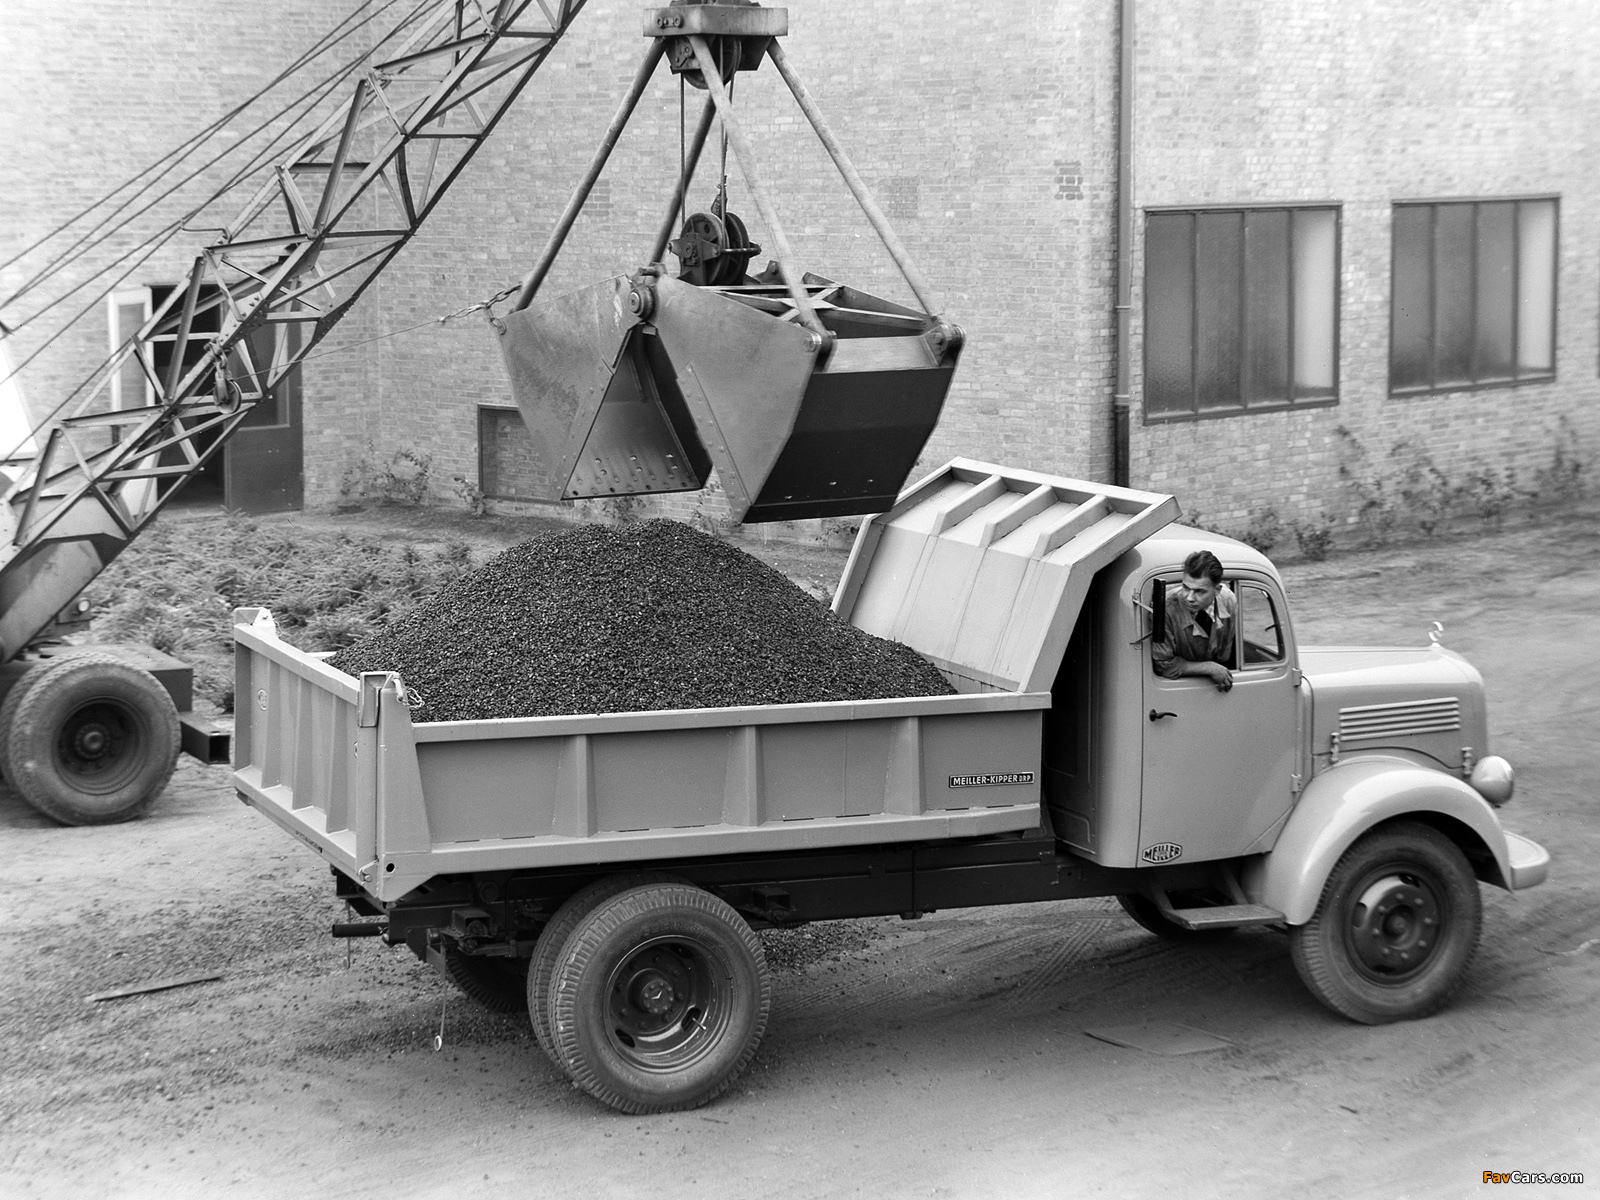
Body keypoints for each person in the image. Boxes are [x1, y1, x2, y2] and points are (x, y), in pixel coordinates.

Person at [1151, 549, 1236, 691]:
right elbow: (1163, 665)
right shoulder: (1165, 609)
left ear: (1217, 590)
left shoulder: (1228, 600)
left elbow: (1226, 650)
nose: (1189, 598)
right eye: (1185, 587)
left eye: (1199, 591)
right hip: (1179, 688)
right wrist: (1210, 668)